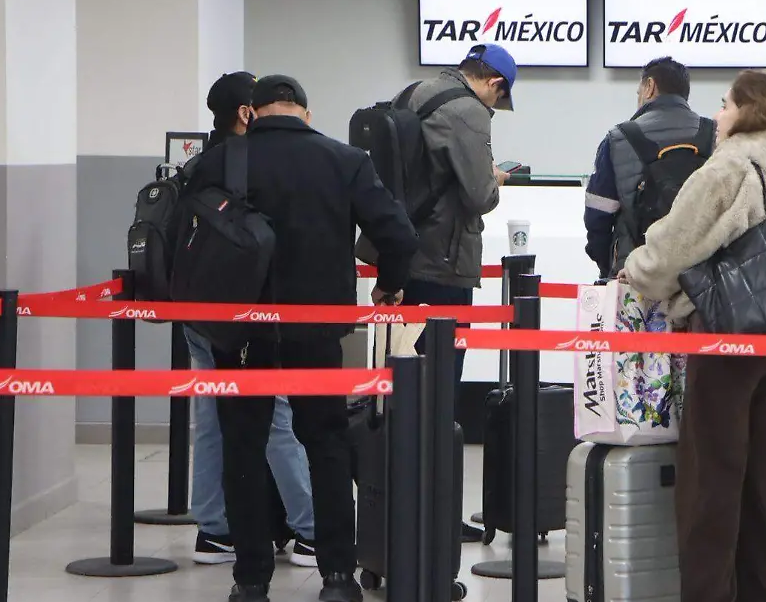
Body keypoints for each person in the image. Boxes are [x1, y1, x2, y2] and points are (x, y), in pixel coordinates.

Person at [180, 75, 419, 602]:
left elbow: (188, 241)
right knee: (326, 445)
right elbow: (399, 234)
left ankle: (250, 581)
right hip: (317, 328)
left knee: (242, 448)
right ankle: (337, 577)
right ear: (306, 114)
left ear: (252, 112)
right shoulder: (345, 160)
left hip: (240, 328)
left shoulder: (221, 162)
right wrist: (389, 283)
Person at [620, 71, 766, 602]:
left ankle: (710, 593)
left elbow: (673, 249)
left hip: (727, 334)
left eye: (725, 104)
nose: (717, 116)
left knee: (712, 477)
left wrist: (637, 270)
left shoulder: (730, 166)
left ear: (750, 109)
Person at [185, 71, 318, 568]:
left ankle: (214, 530)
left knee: (211, 419)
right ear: (247, 112)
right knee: (278, 415)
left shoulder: (200, 164)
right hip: (249, 311)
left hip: (198, 309)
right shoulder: (249, 162)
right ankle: (312, 528)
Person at [392, 43, 516, 541]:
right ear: (495, 84)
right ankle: (438, 518)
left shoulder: (413, 93)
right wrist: (496, 178)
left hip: (404, 256)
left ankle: (402, 509)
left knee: (405, 390)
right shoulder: (468, 111)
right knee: (441, 395)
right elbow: (479, 195)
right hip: (444, 264)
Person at [583, 56, 714, 278]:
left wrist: (610, 265)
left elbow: (598, 217)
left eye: (638, 92)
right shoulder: (713, 135)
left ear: (649, 86)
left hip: (634, 274)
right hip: (700, 276)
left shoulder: (619, 138)